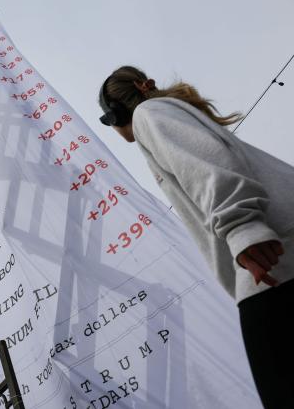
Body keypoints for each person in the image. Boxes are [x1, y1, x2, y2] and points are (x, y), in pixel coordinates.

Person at [97, 65, 294, 409]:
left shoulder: (148, 114)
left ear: (114, 114)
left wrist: (242, 229)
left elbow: (207, 163)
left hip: (271, 261)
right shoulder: (171, 111)